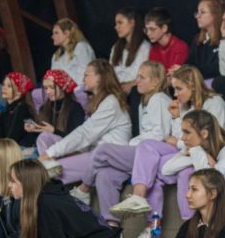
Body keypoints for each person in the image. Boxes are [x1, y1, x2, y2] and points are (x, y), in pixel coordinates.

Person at [107, 65, 225, 223]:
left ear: (192, 86)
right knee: (146, 146)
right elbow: (180, 137)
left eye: (179, 89)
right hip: (188, 151)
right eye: (174, 89)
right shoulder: (186, 105)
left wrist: (179, 141)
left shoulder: (215, 103)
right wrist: (175, 118)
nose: (175, 94)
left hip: (210, 156)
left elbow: (209, 142)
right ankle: (142, 206)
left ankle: (186, 225)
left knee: (157, 168)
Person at [70, 61, 171, 217]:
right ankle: (111, 224)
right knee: (104, 175)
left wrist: (133, 142)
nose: (137, 81)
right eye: (137, 76)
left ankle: (83, 189)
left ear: (156, 82)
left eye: (142, 77)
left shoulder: (159, 99)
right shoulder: (144, 102)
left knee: (103, 150)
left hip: (151, 155)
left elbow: (160, 135)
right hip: (140, 154)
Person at [37, 60, 131, 184]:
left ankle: (49, 174)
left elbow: (85, 134)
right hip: (93, 151)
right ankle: (48, 169)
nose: (83, 79)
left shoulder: (110, 103)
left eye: (86, 75)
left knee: (53, 169)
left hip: (108, 158)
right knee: (44, 137)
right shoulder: (100, 100)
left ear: (100, 78)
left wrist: (49, 153)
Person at [32, 19, 95, 109]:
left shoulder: (81, 47)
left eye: (56, 33)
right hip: (61, 90)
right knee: (36, 94)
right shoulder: (56, 56)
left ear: (66, 33)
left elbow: (85, 73)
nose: (52, 36)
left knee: (78, 92)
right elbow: (53, 76)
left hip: (78, 88)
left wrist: (68, 88)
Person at [24, 69, 86, 150]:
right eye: (46, 88)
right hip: (46, 149)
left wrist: (54, 131)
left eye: (52, 87)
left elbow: (77, 138)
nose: (48, 92)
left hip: (68, 149)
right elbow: (39, 140)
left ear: (62, 86)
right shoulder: (44, 108)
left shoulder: (75, 108)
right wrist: (33, 129)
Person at [109, 8, 150, 98]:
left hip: (133, 93)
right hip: (115, 90)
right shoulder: (116, 47)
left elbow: (138, 74)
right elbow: (111, 71)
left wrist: (132, 83)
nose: (116, 27)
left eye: (120, 23)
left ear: (132, 23)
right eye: (116, 24)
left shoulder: (144, 48)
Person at [182, 0, 224, 80]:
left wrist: (189, 72)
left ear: (215, 15)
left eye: (203, 12)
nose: (198, 16)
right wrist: (181, 71)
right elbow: (189, 63)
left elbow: (217, 69)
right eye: (197, 12)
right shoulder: (197, 39)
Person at [0, 71, 38, 148]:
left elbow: (11, 139)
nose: (3, 88)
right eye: (4, 84)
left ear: (19, 91)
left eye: (9, 86)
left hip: (23, 149)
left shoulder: (22, 108)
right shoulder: (7, 110)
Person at [145, 7, 189, 72]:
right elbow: (152, 73)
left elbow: (173, 75)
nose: (148, 33)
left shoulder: (180, 47)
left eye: (152, 29)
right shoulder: (154, 48)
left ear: (164, 28)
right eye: (146, 30)